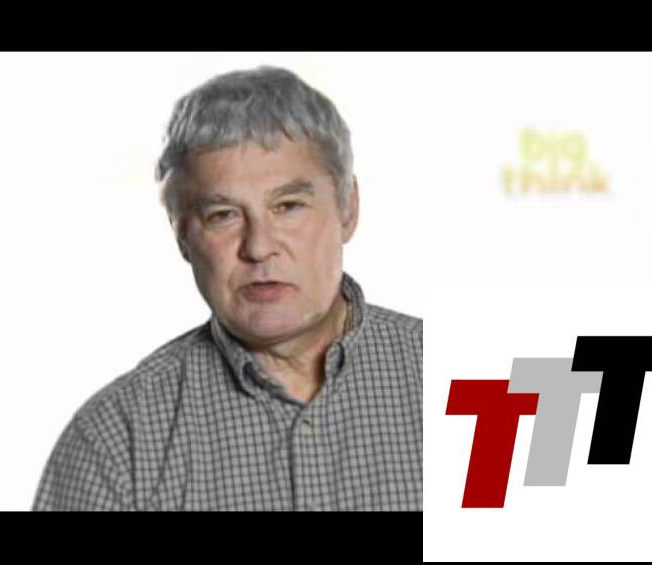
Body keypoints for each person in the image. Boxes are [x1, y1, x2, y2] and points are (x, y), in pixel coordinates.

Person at [32, 66, 422, 511]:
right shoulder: (115, 443)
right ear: (182, 236)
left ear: (348, 208)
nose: (258, 247)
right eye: (223, 215)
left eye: (288, 205)